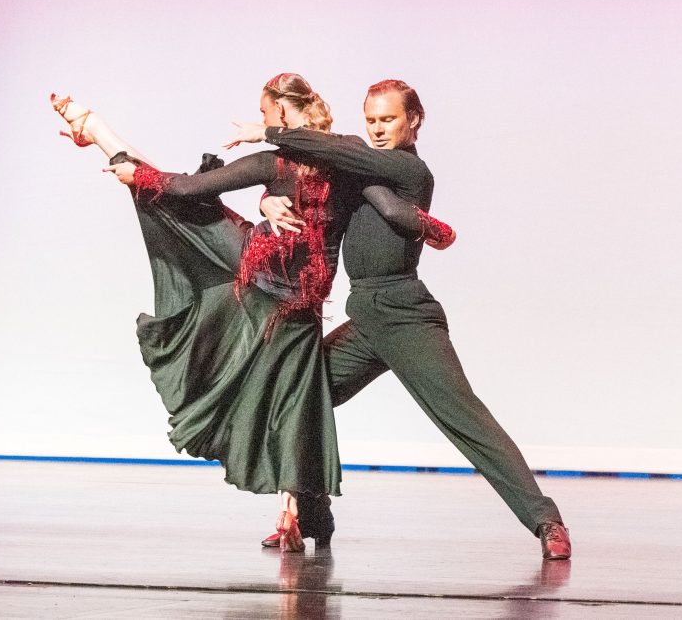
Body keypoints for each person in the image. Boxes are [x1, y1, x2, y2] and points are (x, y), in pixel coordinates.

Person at [50, 74, 455, 552]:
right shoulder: (294, 161)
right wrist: (263, 196)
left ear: (283, 115)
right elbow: (188, 186)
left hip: (293, 299)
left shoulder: (342, 159)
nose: (262, 121)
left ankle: (296, 514)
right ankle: (96, 129)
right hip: (262, 271)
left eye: (265, 114)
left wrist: (434, 229)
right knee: (173, 203)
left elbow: (376, 196)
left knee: (293, 401)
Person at [229, 79, 572, 560]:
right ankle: (314, 515)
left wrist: (272, 131)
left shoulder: (410, 171)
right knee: (298, 396)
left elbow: (344, 154)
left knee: (464, 418)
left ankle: (545, 520)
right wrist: (267, 200)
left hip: (407, 317)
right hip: (366, 318)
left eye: (387, 119)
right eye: (371, 120)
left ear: (414, 120)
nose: (377, 129)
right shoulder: (358, 173)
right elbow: (312, 196)